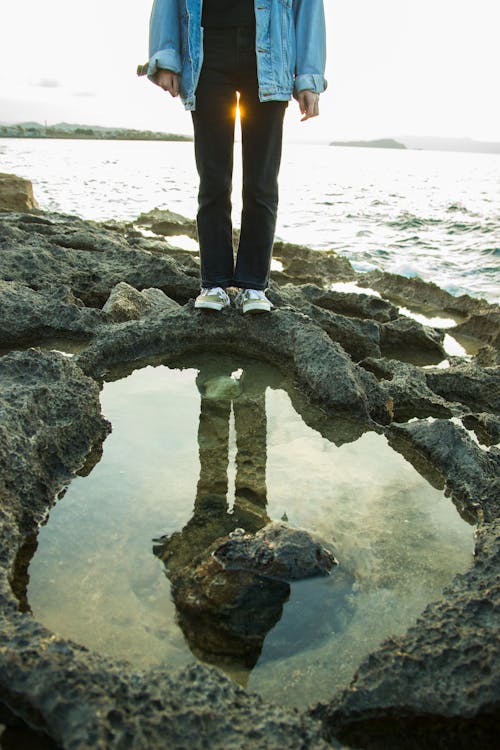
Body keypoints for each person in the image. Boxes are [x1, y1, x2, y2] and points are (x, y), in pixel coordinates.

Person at [145, 0, 327, 313]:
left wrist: (309, 76)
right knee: (214, 178)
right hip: (206, 47)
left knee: (261, 181)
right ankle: (214, 282)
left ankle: (253, 285)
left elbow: (308, 6)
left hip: (272, 50)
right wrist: (166, 57)